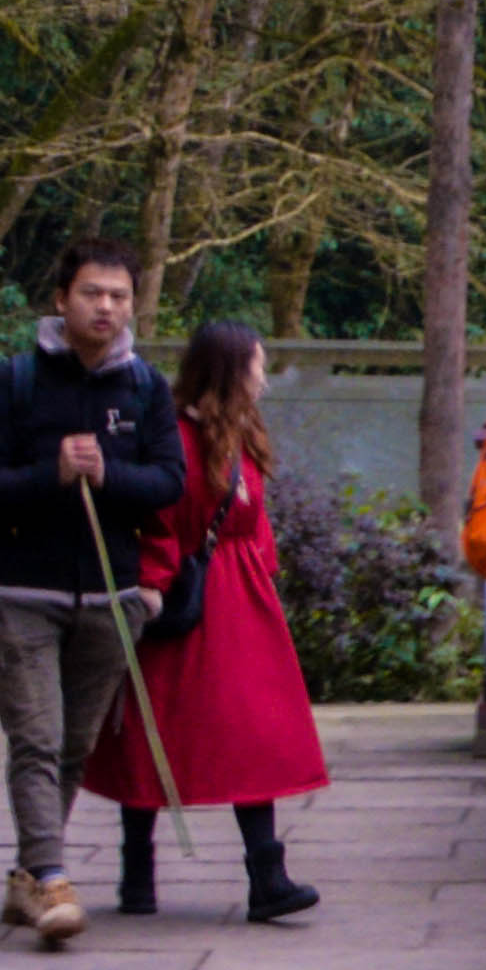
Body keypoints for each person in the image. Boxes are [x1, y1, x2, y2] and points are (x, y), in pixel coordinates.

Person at [0, 239, 184, 949]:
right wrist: (49, 474)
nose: (105, 307)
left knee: (75, 745)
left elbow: (169, 483)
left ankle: (29, 875)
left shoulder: (146, 389)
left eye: (118, 296)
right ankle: (52, 879)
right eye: (92, 293)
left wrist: (108, 474)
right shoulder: (10, 383)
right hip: (21, 588)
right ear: (61, 299)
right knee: (37, 739)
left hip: (111, 597)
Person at [89, 322, 332, 926]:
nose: (263, 378)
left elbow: (255, 520)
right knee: (153, 726)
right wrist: (152, 587)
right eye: (256, 366)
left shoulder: (241, 431)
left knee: (252, 732)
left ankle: (266, 875)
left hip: (243, 599)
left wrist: (265, 576)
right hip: (189, 596)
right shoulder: (174, 437)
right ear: (229, 371)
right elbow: (159, 522)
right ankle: (138, 874)